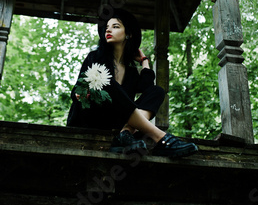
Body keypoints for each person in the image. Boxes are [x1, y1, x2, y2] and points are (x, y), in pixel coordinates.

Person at [66, 8, 198, 158]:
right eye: (107, 27)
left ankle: (126, 133)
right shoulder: (95, 57)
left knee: (158, 91)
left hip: (115, 123)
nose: (108, 30)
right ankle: (161, 138)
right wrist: (83, 93)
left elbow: (148, 91)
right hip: (90, 118)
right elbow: (75, 92)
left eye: (115, 27)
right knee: (105, 81)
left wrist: (144, 62)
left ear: (128, 34)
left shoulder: (131, 71)